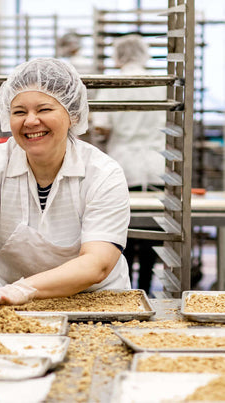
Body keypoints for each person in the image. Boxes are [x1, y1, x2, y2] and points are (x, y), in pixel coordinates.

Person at [0, 57, 131, 308]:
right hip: (2, 303)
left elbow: (97, 263)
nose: (30, 121)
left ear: (72, 114)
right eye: (19, 112)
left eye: (44, 109)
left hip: (94, 302)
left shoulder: (102, 173)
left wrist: (24, 288)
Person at [91, 34, 166, 295]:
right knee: (152, 234)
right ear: (145, 54)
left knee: (126, 232)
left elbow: (101, 126)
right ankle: (145, 288)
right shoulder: (161, 84)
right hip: (158, 165)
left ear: (117, 56)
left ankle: (127, 292)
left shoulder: (113, 84)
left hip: (122, 166)